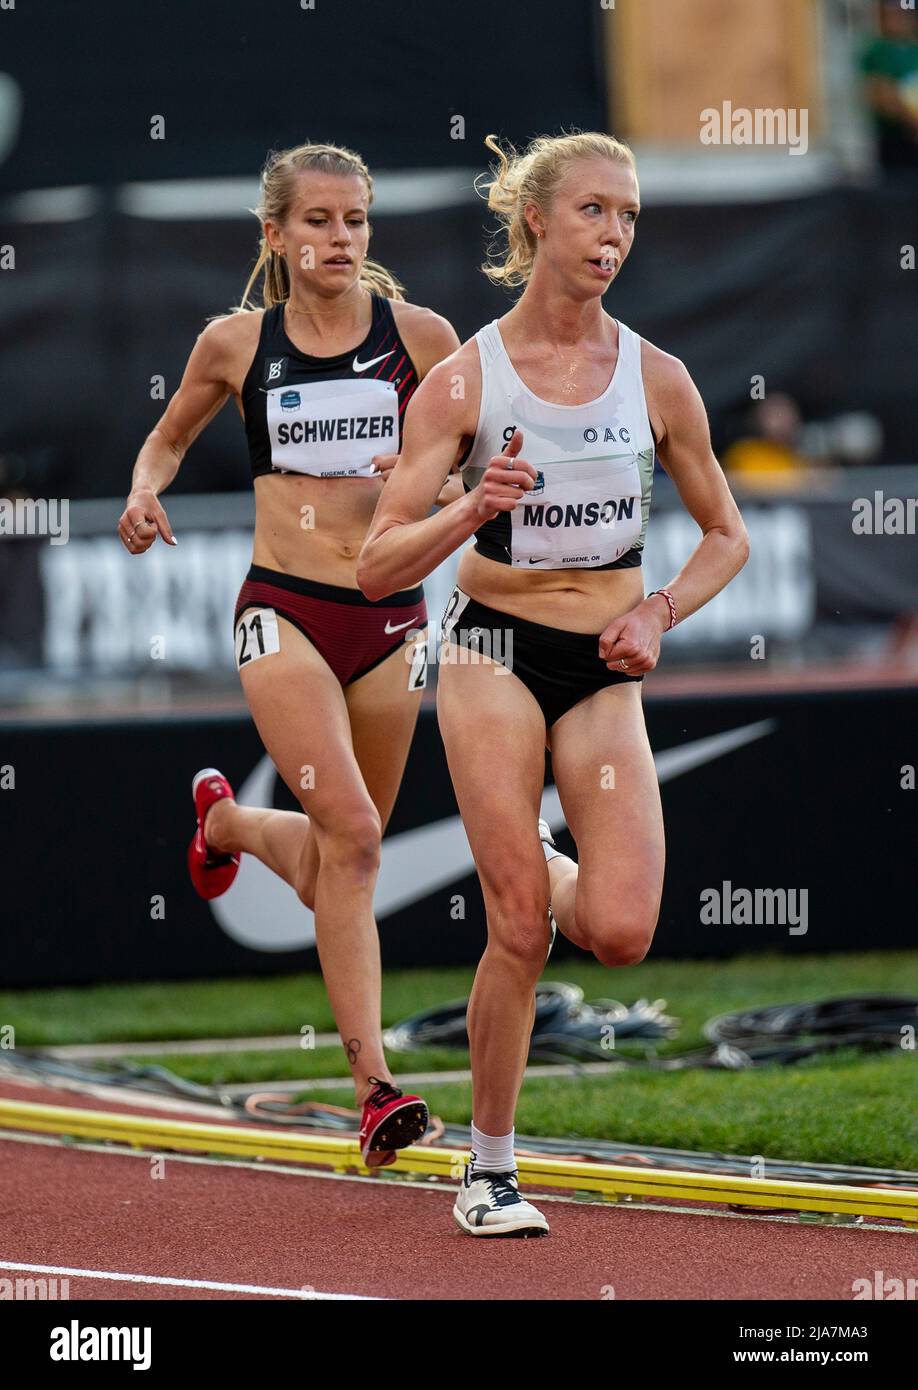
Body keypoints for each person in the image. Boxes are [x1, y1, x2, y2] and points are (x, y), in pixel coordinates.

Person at [358, 131, 749, 1234]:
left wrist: (659, 609)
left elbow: (727, 534)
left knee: (620, 931)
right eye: (593, 212)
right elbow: (378, 559)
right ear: (536, 219)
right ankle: (488, 1170)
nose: (614, 235)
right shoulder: (463, 381)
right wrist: (474, 508)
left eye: (628, 215)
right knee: (520, 928)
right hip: (489, 649)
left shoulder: (657, 376)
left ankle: (528, 847)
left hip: (605, 663)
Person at [118, 141, 462, 1168]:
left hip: (393, 615)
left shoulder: (425, 337)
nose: (341, 239)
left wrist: (442, 484)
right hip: (287, 612)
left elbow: (478, 458)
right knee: (354, 832)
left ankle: (222, 819)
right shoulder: (235, 343)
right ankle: (375, 1090)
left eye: (355, 221)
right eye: (318, 221)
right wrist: (145, 490)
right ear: (274, 234)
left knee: (338, 865)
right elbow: (169, 436)